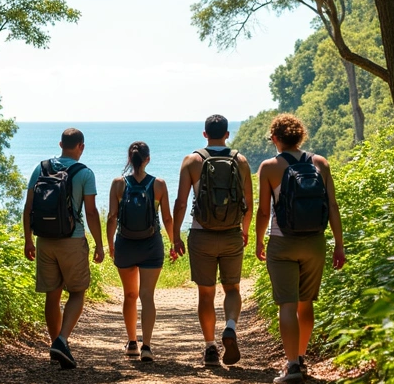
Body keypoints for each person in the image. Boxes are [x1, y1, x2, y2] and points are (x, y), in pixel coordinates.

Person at [254, 114, 346, 384]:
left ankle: (292, 364)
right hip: (315, 243)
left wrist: (259, 240)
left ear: (275, 138)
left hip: (282, 242)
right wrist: (339, 245)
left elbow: (263, 211)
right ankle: (302, 358)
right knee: (306, 304)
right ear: (300, 136)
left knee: (287, 304)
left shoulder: (269, 167)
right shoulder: (320, 163)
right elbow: (332, 206)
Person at [172, 114, 254, 367]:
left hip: (202, 234)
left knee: (206, 294)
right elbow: (249, 203)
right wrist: (245, 230)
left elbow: (181, 202)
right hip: (231, 233)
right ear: (227, 134)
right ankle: (230, 326)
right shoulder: (241, 161)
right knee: (233, 289)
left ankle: (210, 348)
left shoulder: (192, 161)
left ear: (205, 134)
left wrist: (175, 236)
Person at [23, 127, 104, 370]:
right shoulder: (85, 173)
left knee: (52, 294)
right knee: (77, 292)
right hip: (72, 240)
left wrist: (28, 240)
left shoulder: (41, 168)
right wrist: (99, 244)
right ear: (81, 146)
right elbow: (91, 212)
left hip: (45, 240)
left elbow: (28, 207)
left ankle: (56, 345)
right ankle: (62, 340)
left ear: (60, 144)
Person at [106, 141, 177, 362]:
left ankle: (131, 343)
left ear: (130, 158)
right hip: (151, 245)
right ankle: (147, 346)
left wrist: (110, 244)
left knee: (130, 295)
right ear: (148, 159)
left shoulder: (118, 184)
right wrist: (173, 243)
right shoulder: (159, 184)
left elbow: (112, 217)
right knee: (147, 296)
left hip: (125, 245)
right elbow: (167, 218)